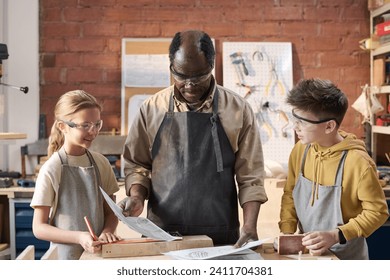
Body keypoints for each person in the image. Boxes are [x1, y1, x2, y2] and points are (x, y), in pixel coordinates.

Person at [119, 30, 268, 247]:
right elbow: (137, 165)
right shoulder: (151, 109)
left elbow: (251, 176)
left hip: (221, 236)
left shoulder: (237, 110)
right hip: (162, 233)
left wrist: (250, 226)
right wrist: (136, 197)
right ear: (171, 67)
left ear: (211, 67)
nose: (189, 85)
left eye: (198, 77)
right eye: (181, 76)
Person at [279, 78, 389, 260]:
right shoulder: (301, 150)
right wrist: (288, 232)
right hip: (309, 255)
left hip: (347, 259)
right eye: (294, 119)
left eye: (302, 122)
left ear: (329, 126)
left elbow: (378, 212)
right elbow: (290, 193)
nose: (295, 127)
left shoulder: (358, 163)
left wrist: (336, 235)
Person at [31, 90, 121, 260]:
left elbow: (111, 213)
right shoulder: (52, 169)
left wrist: (107, 232)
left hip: (98, 257)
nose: (93, 131)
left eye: (97, 124)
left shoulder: (101, 163)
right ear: (63, 126)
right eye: (85, 125)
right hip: (66, 259)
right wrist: (79, 237)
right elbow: (39, 227)